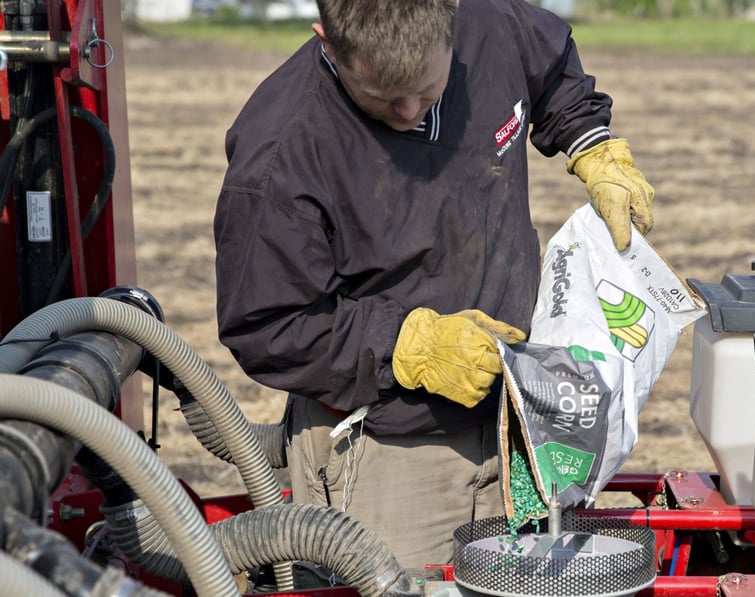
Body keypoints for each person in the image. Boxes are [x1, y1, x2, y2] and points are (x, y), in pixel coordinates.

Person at [213, 0, 655, 571]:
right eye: (379, 96)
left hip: (520, 431)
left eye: (427, 90)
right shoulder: (281, 155)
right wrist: (407, 346)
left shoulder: (490, 23)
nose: (407, 112)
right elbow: (268, 324)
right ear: (328, 42)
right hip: (388, 450)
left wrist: (591, 142)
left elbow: (549, 65)